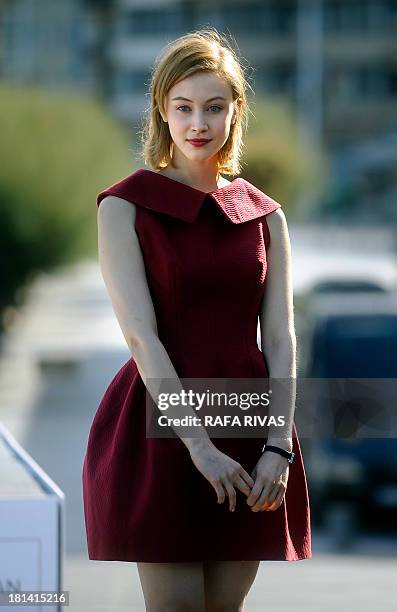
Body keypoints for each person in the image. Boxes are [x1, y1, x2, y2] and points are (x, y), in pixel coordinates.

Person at [82, 27, 311, 612]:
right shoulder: (125, 206)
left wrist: (277, 445)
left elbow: (281, 338)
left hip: (251, 429)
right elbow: (140, 335)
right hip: (164, 429)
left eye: (214, 107)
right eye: (183, 108)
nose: (198, 124)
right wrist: (199, 447)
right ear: (162, 110)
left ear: (236, 111)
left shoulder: (264, 214)